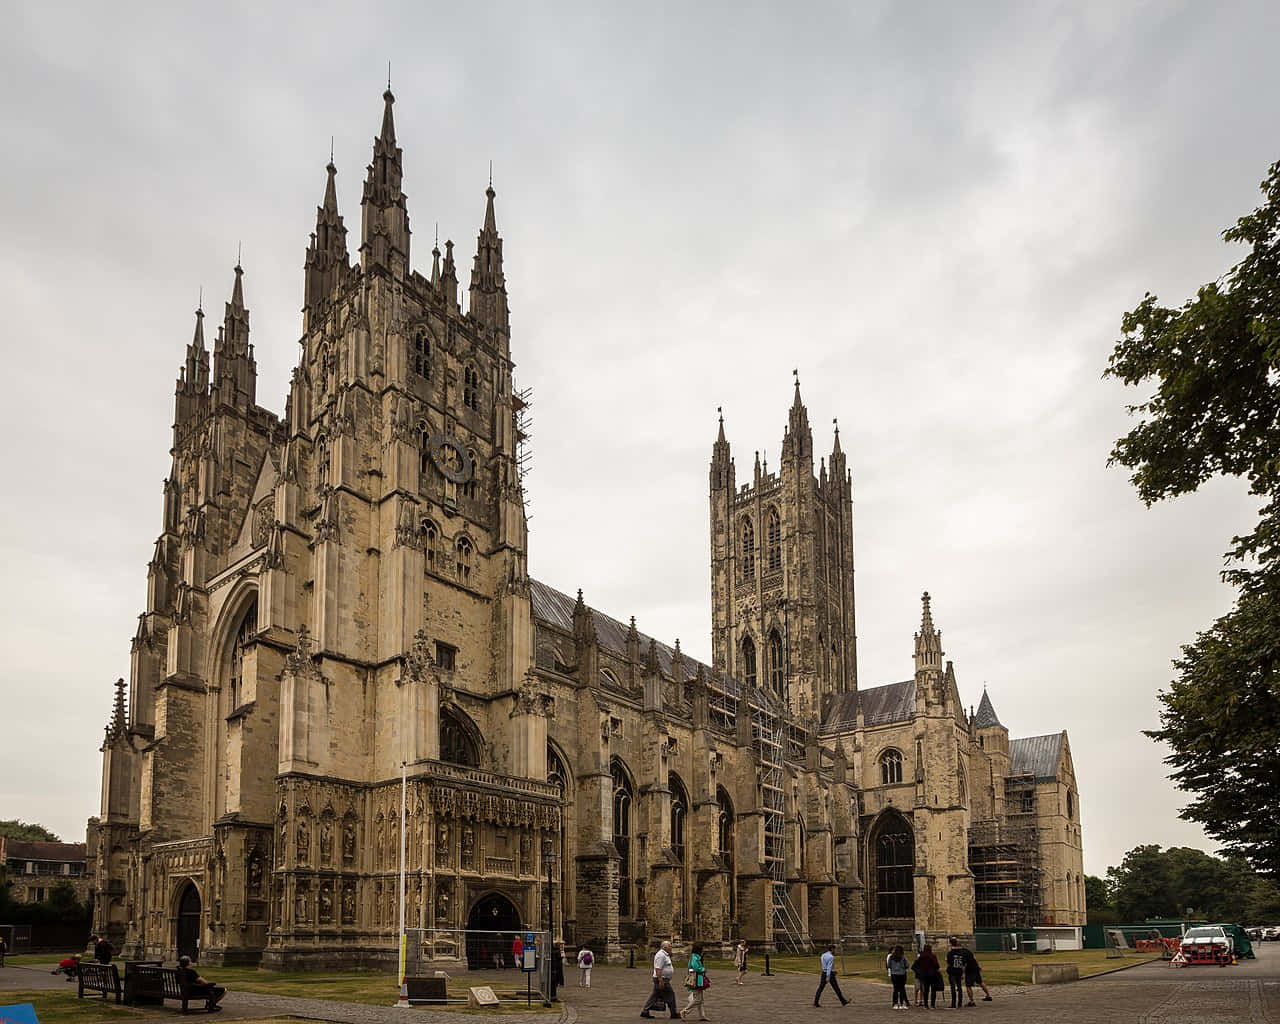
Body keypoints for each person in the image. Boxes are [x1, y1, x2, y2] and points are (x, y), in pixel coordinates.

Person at [640, 940, 679, 1019]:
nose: (671, 948)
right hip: (662, 979)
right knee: (670, 995)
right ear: (664, 947)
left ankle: (645, 1011)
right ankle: (673, 1013)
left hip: (663, 979)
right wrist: (660, 980)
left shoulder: (665, 955)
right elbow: (658, 969)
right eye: (669, 946)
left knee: (655, 996)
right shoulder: (661, 955)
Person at [680, 943, 710, 1021]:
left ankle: (702, 1015)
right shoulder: (695, 957)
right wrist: (703, 969)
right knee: (698, 999)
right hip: (696, 980)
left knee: (700, 999)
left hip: (698, 979)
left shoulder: (695, 957)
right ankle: (685, 1011)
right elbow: (695, 968)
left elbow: (691, 969)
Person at [911, 943, 941, 1010]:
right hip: (932, 975)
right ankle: (932, 1005)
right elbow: (937, 965)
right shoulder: (933, 956)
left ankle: (926, 1005)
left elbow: (914, 966)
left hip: (924, 975)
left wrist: (919, 972)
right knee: (933, 990)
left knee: (926, 990)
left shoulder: (921, 957)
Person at [945, 938, 968, 1009]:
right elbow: (964, 964)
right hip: (959, 971)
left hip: (952, 971)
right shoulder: (961, 953)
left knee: (953, 988)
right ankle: (960, 1003)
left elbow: (948, 962)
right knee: (959, 987)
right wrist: (963, 973)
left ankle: (953, 1004)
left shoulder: (950, 953)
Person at [887, 944, 910, 1009]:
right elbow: (907, 965)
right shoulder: (903, 957)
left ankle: (895, 1003)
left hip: (894, 974)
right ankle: (902, 1004)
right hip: (902, 974)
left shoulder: (891, 957)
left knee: (895, 989)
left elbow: (888, 965)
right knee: (902, 989)